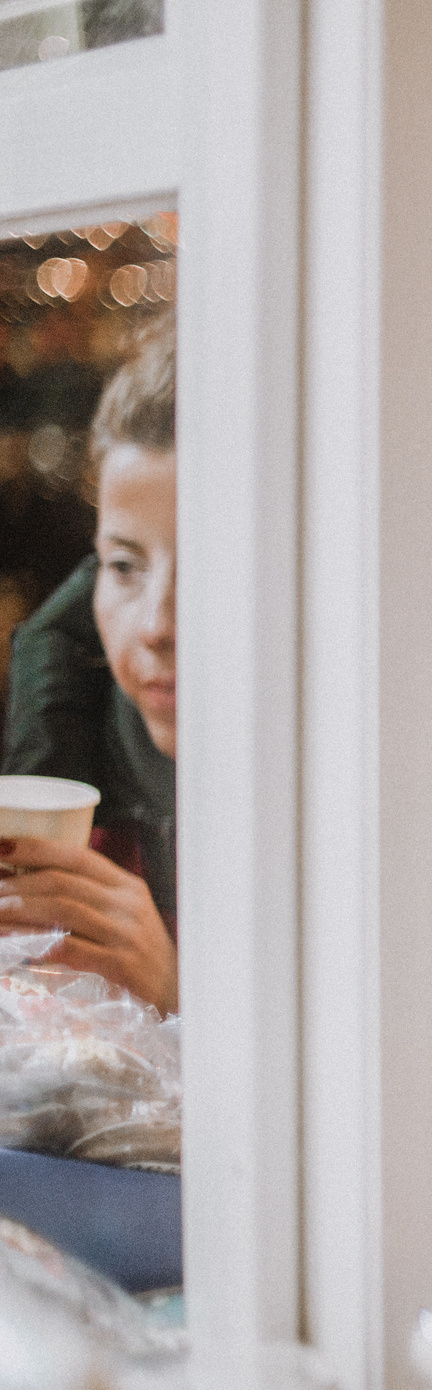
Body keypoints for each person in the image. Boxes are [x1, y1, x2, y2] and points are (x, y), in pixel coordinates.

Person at [1, 317, 179, 1015]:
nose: (157, 625)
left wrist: (172, 995)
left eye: (216, 563)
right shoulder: (63, 774)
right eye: (124, 565)